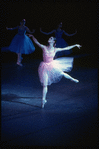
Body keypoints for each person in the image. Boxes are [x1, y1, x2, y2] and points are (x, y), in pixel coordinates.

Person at [28, 34, 81, 108]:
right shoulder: (44, 47)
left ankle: (72, 79)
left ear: (53, 41)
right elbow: (37, 42)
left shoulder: (56, 49)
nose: (49, 38)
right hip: (44, 67)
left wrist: (75, 45)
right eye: (49, 38)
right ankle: (43, 101)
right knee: (45, 85)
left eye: (51, 38)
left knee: (62, 73)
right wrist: (33, 36)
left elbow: (66, 48)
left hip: (52, 65)